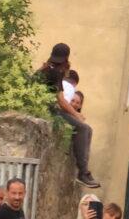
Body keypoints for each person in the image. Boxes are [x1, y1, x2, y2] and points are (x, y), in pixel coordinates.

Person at [38, 43, 100, 187]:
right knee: (83, 128)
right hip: (50, 110)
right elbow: (61, 100)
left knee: (87, 129)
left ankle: (84, 170)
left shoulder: (45, 69)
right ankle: (83, 172)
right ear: (66, 59)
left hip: (45, 107)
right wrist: (77, 115)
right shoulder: (56, 72)